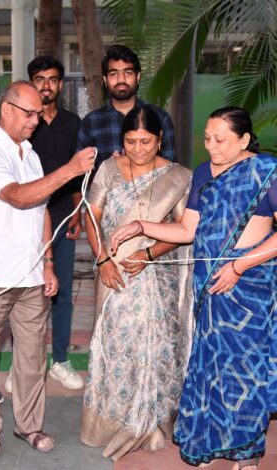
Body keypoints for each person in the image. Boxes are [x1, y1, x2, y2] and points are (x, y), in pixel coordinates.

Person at [110, 107, 277, 470]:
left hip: (248, 288)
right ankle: (210, 442)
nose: (211, 146)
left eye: (220, 140)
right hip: (210, 287)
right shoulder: (203, 173)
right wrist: (141, 226)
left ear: (244, 140)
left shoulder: (267, 172)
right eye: (207, 138)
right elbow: (188, 230)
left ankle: (247, 453)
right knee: (210, 367)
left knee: (244, 368)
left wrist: (239, 266)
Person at [0, 81, 96, 457]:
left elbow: (40, 210)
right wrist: (70, 170)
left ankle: (30, 425)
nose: (36, 120)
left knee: (32, 358)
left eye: (38, 113)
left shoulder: (30, 153)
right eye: (29, 113)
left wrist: (48, 262)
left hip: (31, 274)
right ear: (7, 110)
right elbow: (19, 197)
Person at [80, 106, 194, 461]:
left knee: (156, 347)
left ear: (159, 140)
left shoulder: (179, 177)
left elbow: (183, 230)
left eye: (146, 141)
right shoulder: (109, 169)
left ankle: (152, 423)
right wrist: (102, 260)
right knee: (116, 345)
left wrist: (147, 255)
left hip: (156, 275)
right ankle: (113, 423)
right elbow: (91, 217)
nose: (138, 149)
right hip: (112, 272)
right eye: (131, 141)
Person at [27, 55, 84, 390]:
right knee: (25, 295)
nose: (46, 85)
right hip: (25, 219)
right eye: (39, 79)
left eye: (51, 79)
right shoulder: (23, 124)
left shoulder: (72, 123)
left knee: (60, 292)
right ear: (31, 83)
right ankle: (25, 364)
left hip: (62, 219)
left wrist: (77, 212)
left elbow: (79, 176)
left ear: (60, 85)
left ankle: (60, 359)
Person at [77, 44, 176, 169]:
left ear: (138, 77)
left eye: (128, 73)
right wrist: (108, 169)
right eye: (114, 74)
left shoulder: (161, 118)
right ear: (105, 79)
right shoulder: (91, 122)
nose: (121, 79)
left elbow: (171, 171)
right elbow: (82, 174)